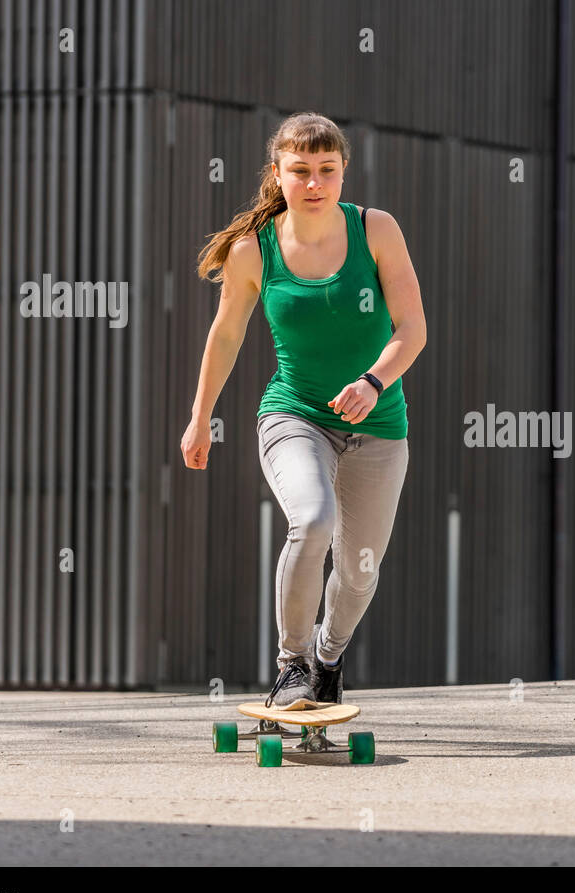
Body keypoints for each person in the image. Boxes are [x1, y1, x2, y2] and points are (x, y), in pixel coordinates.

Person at [181, 112, 427, 709]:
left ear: (343, 172)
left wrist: (373, 382)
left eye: (327, 171)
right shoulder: (253, 250)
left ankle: (327, 657)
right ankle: (291, 663)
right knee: (312, 522)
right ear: (278, 174)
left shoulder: (376, 230)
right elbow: (226, 334)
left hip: (378, 424)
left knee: (360, 568)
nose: (314, 183)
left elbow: (413, 328)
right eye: (300, 172)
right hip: (295, 414)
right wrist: (199, 416)